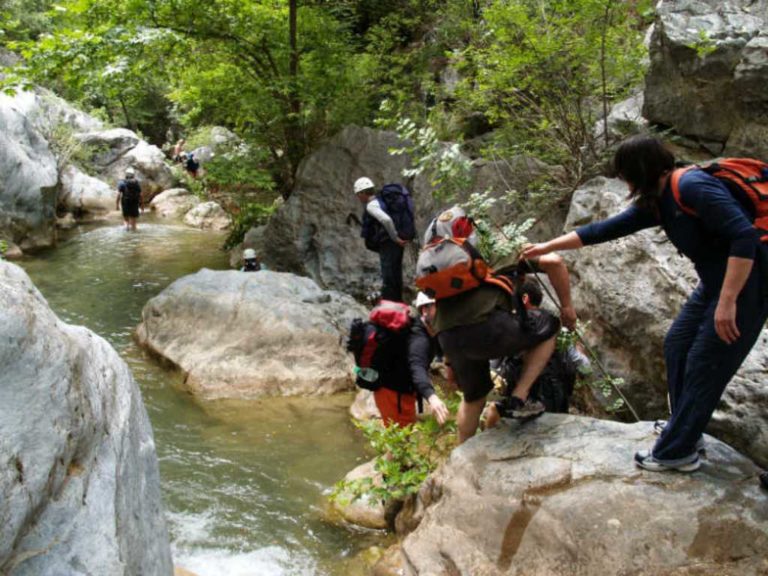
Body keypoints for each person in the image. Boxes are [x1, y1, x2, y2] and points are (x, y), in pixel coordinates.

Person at [523, 135, 768, 473]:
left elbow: (744, 236)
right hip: (716, 282)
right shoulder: (659, 199)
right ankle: (686, 430)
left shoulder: (691, 187)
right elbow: (602, 230)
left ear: (637, 170)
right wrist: (544, 246)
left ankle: (676, 451)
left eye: (624, 173)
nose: (623, 181)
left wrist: (728, 302)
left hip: (747, 283)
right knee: (677, 346)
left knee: (704, 363)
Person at [432, 252, 577, 444]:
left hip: (446, 335)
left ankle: (462, 452)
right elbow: (555, 261)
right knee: (550, 323)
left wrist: (449, 363)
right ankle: (520, 395)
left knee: (473, 398)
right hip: (484, 326)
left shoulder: (452, 265)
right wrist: (567, 308)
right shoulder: (507, 252)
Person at [484, 278, 591, 428]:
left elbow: (492, 367)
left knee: (494, 410)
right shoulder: (557, 328)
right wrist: (580, 350)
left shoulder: (510, 327)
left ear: (524, 299)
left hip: (515, 401)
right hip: (553, 403)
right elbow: (585, 368)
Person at [372, 292, 451, 428]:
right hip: (392, 391)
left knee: (403, 434)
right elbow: (417, 366)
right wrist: (432, 397)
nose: (445, 312)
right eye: (439, 307)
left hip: (397, 387)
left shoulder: (431, 329)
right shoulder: (419, 338)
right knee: (400, 441)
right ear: (424, 310)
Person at [354, 177, 410, 302]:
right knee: (396, 274)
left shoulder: (371, 205)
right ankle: (398, 304)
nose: (358, 197)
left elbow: (386, 220)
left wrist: (395, 238)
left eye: (358, 194)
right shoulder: (382, 201)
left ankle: (390, 306)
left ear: (363, 192)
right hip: (395, 243)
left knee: (389, 276)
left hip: (388, 243)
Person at [116, 167, 143, 231]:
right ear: (133, 175)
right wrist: (142, 205)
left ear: (126, 174)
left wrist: (117, 204)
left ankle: (126, 234)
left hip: (125, 202)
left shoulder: (122, 183)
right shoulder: (136, 183)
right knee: (134, 221)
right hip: (134, 203)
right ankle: (134, 232)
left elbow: (118, 194)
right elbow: (141, 195)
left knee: (126, 220)